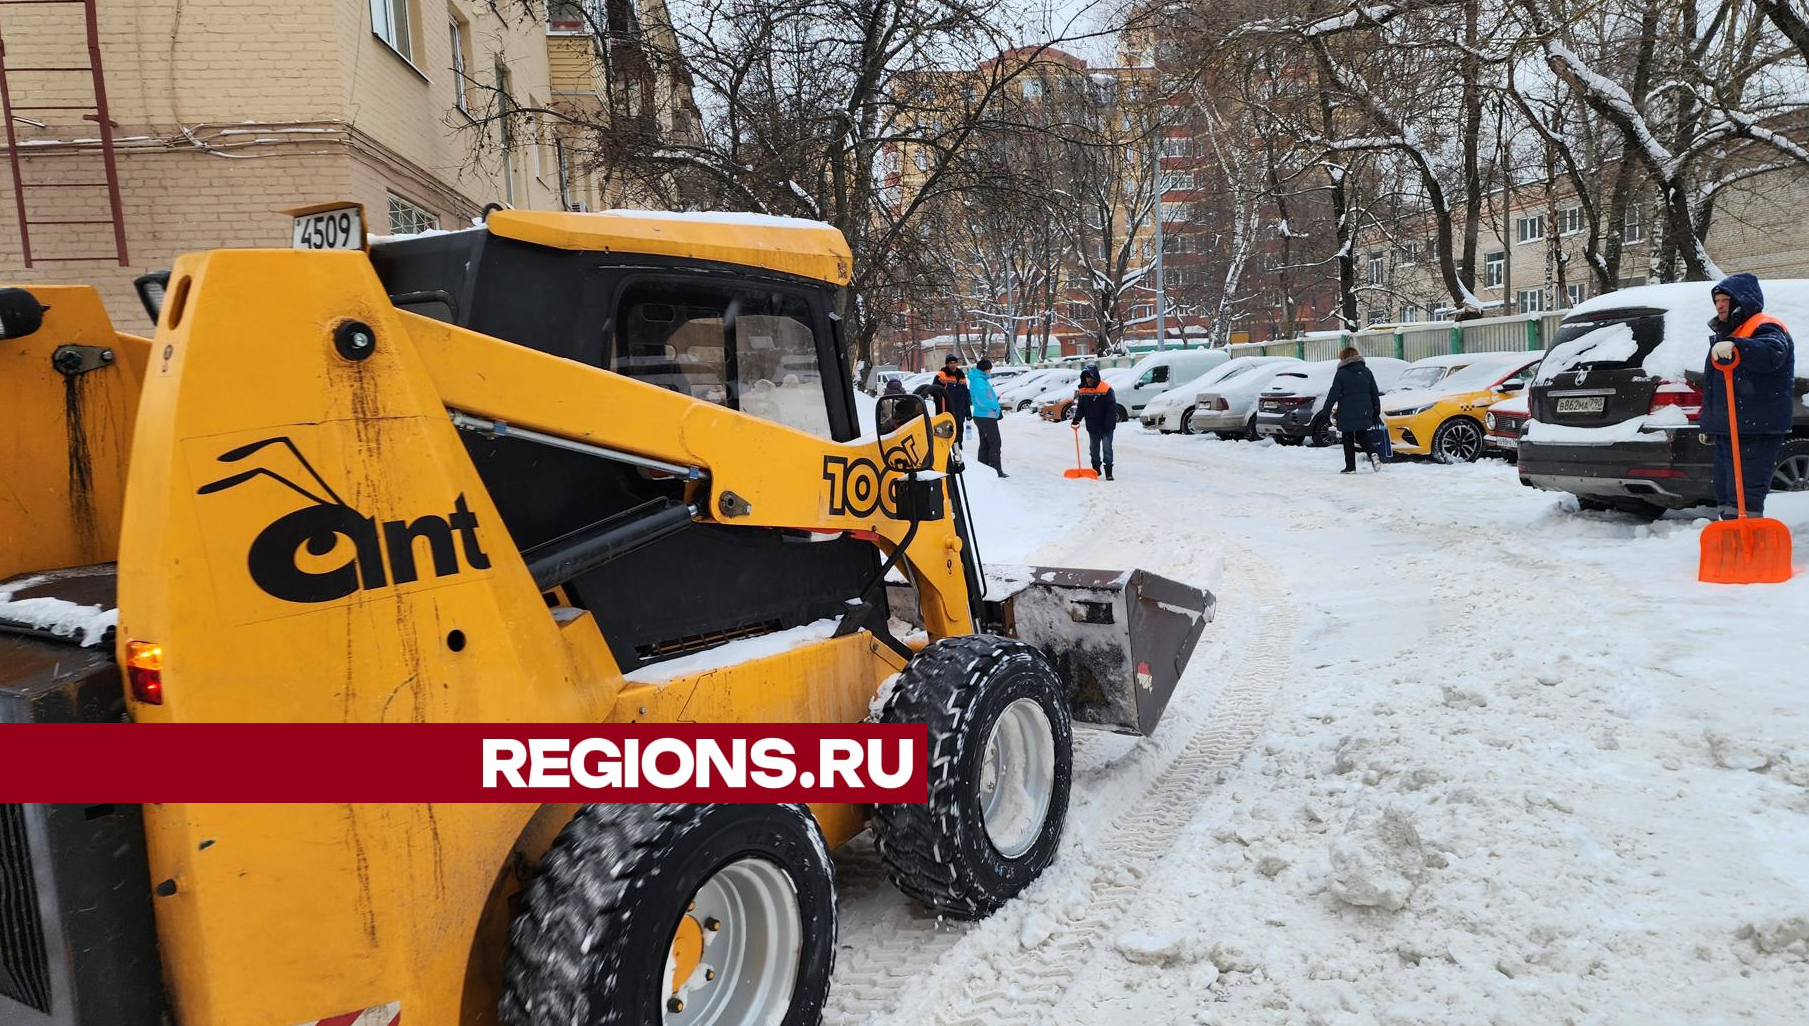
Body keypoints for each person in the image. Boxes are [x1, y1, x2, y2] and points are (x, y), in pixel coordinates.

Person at [1700, 272, 1795, 519]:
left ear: (1741, 301)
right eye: (1717, 301)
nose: (1719, 305)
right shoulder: (1730, 334)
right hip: (1729, 427)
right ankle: (1732, 537)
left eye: (1725, 300)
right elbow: (1714, 384)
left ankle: (1750, 541)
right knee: (1725, 492)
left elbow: (1772, 353)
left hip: (1755, 427)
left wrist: (1739, 346)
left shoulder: (1765, 326)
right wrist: (1709, 424)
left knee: (1747, 494)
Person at [1323, 346, 1383, 474]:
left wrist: (1326, 409)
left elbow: (1334, 392)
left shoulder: (1341, 373)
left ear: (1343, 358)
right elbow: (1374, 392)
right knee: (1362, 434)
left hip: (1347, 410)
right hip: (1365, 409)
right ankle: (1373, 453)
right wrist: (1376, 409)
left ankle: (1350, 467)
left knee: (1348, 437)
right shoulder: (1366, 371)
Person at [1070, 364, 1118, 480]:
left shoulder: (1106, 389)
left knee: (1107, 449)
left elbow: (1112, 409)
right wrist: (1077, 419)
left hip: (1106, 427)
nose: (1089, 379)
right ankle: (1096, 470)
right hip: (1093, 426)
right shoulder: (1083, 391)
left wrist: (1109, 424)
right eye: (1087, 377)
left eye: (1090, 377)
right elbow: (1081, 408)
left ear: (1096, 376)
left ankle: (1109, 473)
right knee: (1094, 450)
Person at [967, 357, 1007, 477]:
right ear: (985, 369)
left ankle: (984, 469)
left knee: (986, 443)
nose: (990, 371)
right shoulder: (979, 381)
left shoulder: (979, 380)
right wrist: (995, 407)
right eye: (989, 369)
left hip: (984, 415)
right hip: (985, 416)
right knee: (995, 443)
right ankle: (995, 470)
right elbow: (982, 400)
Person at [934, 355, 971, 446]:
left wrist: (968, 412)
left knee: (958, 436)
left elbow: (965, 396)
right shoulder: (941, 375)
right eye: (951, 363)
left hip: (959, 413)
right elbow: (934, 391)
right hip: (946, 413)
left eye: (955, 363)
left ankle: (959, 455)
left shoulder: (961, 376)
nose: (953, 365)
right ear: (947, 364)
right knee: (947, 438)